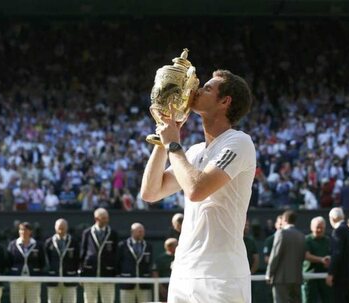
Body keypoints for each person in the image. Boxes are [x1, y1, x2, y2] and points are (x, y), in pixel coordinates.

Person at [140, 69, 255, 302]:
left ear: (225, 101)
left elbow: (196, 190)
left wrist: (173, 144)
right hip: (183, 273)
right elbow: (150, 193)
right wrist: (163, 140)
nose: (197, 90)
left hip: (221, 277)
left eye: (207, 88)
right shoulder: (192, 152)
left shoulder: (239, 142)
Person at [265, 210, 305, 303]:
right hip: (297, 278)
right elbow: (302, 256)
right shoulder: (301, 235)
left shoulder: (281, 233)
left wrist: (269, 274)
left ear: (285, 219)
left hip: (281, 279)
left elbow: (275, 255)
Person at [80, 208, 118, 303]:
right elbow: (83, 252)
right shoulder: (87, 233)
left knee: (108, 301)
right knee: (89, 301)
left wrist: (115, 272)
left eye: (107, 218)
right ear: (96, 218)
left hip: (107, 274)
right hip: (89, 274)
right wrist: (81, 271)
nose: (106, 220)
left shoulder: (113, 234)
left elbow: (115, 254)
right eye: (104, 218)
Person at [7, 222, 46, 303]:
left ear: (30, 231)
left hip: (33, 280)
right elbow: (9, 262)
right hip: (16, 280)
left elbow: (42, 262)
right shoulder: (12, 245)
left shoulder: (38, 245)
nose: (23, 232)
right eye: (21, 230)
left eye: (26, 230)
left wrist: (35, 271)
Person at [44, 218, 80, 303]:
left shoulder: (74, 242)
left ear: (66, 228)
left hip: (69, 280)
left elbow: (77, 259)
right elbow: (47, 259)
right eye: (59, 228)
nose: (61, 230)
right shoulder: (48, 242)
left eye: (63, 228)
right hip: (53, 280)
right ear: (55, 228)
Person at [117, 222, 153, 303]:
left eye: (143, 231)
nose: (142, 233)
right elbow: (118, 263)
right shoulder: (122, 245)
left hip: (144, 284)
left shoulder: (148, 246)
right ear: (132, 232)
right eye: (139, 231)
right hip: (127, 283)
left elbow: (150, 262)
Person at [326, 207, 349, 303]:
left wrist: (331, 273)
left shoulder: (337, 231)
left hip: (340, 276)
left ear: (332, 218)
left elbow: (337, 253)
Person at [303, 216, 332, 303]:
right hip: (310, 277)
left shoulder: (328, 240)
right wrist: (321, 260)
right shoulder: (306, 240)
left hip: (325, 277)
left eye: (322, 228)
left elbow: (332, 254)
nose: (319, 230)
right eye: (317, 227)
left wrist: (329, 259)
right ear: (311, 227)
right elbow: (306, 256)